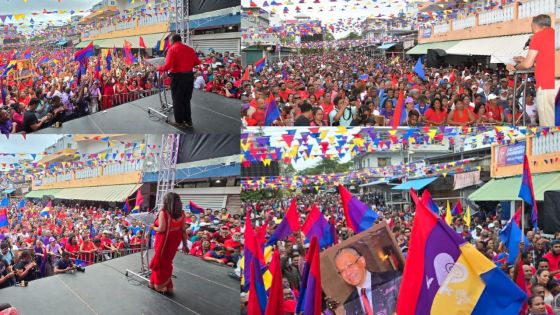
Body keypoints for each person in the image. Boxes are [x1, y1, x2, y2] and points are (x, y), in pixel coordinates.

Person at [507, 14, 555, 126]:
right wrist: (530, 60)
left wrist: (515, 67)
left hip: (547, 87)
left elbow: (527, 65)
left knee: (549, 127)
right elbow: (548, 61)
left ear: (534, 25)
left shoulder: (538, 36)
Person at [333, 246, 401, 315]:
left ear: (362, 261)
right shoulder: (348, 305)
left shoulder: (393, 280)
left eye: (350, 265)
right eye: (342, 271)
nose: (348, 273)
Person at [157, 33, 201, 129]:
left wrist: (158, 68)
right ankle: (188, 121)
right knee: (186, 100)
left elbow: (167, 66)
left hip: (178, 78)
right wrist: (187, 65)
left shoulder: (172, 49)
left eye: (170, 41)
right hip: (189, 76)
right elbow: (197, 62)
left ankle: (179, 122)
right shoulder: (190, 49)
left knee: (177, 100)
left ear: (172, 40)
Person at [149, 192, 188, 294]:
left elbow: (161, 229)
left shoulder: (164, 213)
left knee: (160, 262)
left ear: (167, 201)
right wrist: (185, 245)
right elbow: (183, 230)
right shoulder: (182, 214)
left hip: (164, 241)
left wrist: (152, 227)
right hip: (175, 240)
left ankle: (159, 285)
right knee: (167, 261)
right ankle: (162, 284)